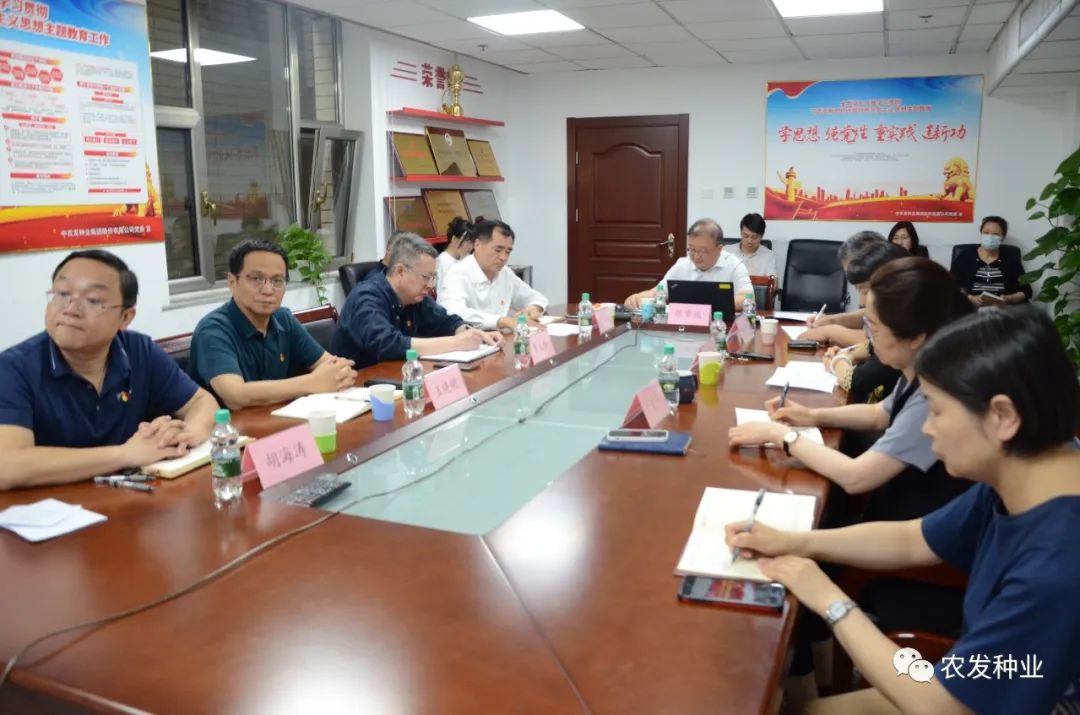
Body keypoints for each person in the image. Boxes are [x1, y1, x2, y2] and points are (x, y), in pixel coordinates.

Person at [725, 305, 1080, 715]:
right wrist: (793, 542)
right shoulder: (1029, 473)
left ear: (1002, 415)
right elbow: (912, 539)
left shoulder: (1057, 567)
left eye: (937, 411)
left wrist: (827, 597)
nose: (927, 428)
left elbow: (942, 706)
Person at [729, 257, 974, 523]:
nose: (868, 339)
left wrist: (781, 436)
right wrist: (812, 416)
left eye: (873, 329)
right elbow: (880, 413)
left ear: (916, 337)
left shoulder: (935, 395)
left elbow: (856, 477)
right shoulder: (920, 368)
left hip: (906, 524)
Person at [0, 250, 218, 490]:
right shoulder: (13, 368)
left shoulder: (139, 351)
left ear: (125, 317)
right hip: (51, 506)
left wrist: (187, 434)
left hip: (130, 500)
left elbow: (202, 402)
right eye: (62, 294)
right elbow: (7, 465)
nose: (71, 308)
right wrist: (124, 454)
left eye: (93, 300)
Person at [188, 239, 357, 410]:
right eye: (256, 279)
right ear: (232, 282)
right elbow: (235, 396)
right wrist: (313, 382)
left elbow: (331, 366)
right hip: (232, 425)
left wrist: (339, 372)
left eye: (277, 281)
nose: (268, 290)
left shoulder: (282, 318)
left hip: (280, 418)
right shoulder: (213, 331)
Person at [331, 232, 501, 368]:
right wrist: (456, 343)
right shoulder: (366, 296)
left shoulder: (415, 297)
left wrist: (467, 332)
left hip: (401, 376)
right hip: (359, 386)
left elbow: (445, 321)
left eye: (433, 278)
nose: (430, 285)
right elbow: (388, 344)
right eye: (426, 277)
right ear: (400, 271)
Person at [821, 241, 909, 408]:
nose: (862, 301)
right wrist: (849, 354)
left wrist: (837, 361)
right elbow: (870, 346)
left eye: (865, 291)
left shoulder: (902, 332)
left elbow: (856, 381)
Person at [438, 219, 549, 331]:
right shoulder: (457, 273)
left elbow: (536, 297)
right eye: (498, 250)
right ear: (477, 245)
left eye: (508, 252)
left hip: (501, 338)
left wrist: (535, 307)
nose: (503, 257)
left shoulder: (505, 273)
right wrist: (502, 321)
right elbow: (453, 312)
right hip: (472, 340)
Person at [623, 219, 753, 311]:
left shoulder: (734, 265)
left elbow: (748, 298)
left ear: (719, 249)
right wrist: (638, 298)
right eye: (691, 249)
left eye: (702, 251)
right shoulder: (682, 265)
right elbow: (659, 292)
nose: (696, 256)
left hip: (721, 327)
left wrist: (708, 303)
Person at [800, 230, 886, 345]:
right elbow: (867, 315)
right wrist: (832, 320)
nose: (851, 280)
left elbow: (880, 341)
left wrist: (830, 331)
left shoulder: (900, 289)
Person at [950, 216, 1031, 306]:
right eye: (986, 233)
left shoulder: (1010, 258)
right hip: (971, 307)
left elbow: (1027, 291)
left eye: (996, 234)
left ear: (1003, 237)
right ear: (981, 233)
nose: (990, 237)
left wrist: (1009, 298)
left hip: (1003, 308)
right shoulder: (965, 256)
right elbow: (950, 285)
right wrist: (970, 298)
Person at [724, 212, 777, 277]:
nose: (749, 241)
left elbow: (773, 281)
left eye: (754, 237)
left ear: (761, 236)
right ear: (741, 233)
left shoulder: (768, 256)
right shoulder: (727, 251)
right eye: (746, 236)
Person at [436, 216, 475, 296]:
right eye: (468, 242)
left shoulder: (467, 258)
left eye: (472, 243)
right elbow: (443, 294)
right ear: (454, 239)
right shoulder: (442, 262)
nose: (471, 247)